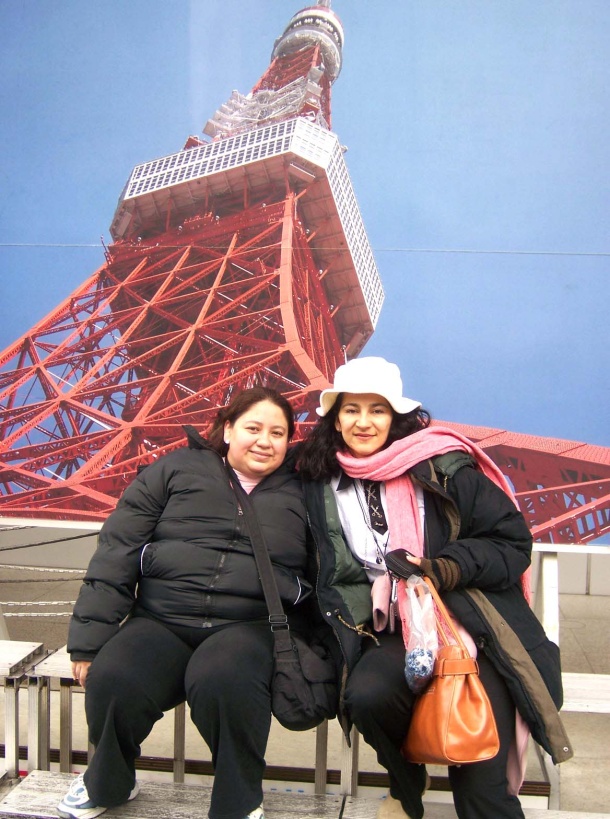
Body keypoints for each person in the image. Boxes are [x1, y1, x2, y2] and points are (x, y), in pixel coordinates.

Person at [298, 357, 567, 819]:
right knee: (367, 697)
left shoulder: (443, 467)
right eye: (351, 410)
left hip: (472, 629)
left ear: (397, 417)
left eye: (377, 410)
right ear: (335, 417)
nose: (364, 422)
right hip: (389, 630)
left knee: (482, 787)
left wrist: (443, 568)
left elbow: (511, 541)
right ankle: (407, 786)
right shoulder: (316, 480)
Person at [58, 387, 320, 819]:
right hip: (162, 618)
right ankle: (107, 782)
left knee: (226, 680)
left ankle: (238, 801)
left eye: (278, 432)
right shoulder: (176, 470)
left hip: (249, 626)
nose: (264, 440)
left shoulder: (305, 492)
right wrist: (89, 642)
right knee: (115, 677)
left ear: (290, 440)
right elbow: (117, 551)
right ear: (228, 428)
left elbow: (324, 569)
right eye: (253, 428)